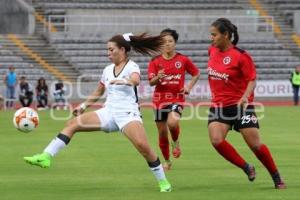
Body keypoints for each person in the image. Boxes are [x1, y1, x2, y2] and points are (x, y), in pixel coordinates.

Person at [23, 32, 172, 192]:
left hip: (128, 114)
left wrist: (125, 81)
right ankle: (45, 156)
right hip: (108, 112)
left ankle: (163, 182)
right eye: (107, 50)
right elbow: (99, 91)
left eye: (111, 50)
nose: (108, 54)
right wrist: (83, 106)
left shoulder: (131, 66)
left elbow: (135, 80)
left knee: (143, 146)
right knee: (73, 124)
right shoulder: (107, 70)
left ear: (122, 50)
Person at [206, 18, 286, 189]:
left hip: (241, 106)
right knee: (216, 140)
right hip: (219, 106)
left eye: (214, 35)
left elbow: (252, 80)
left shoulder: (241, 56)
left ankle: (277, 178)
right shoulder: (211, 51)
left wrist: (245, 96)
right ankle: (246, 167)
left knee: (256, 145)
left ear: (226, 35)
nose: (211, 38)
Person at [148, 28, 200, 171]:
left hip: (177, 98)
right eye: (164, 42)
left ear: (175, 43)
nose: (167, 44)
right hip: (159, 101)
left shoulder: (183, 60)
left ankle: (176, 142)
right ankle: (167, 161)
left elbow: (196, 73)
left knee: (172, 122)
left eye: (170, 41)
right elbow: (151, 82)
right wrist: (158, 77)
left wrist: (188, 86)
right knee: (162, 133)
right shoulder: (155, 61)